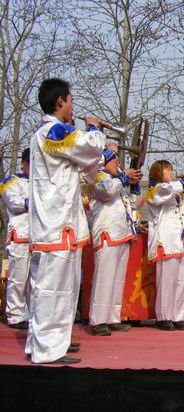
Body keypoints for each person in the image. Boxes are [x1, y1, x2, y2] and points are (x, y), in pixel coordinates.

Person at [26, 78, 105, 364]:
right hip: (55, 224)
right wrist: (94, 128)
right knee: (52, 288)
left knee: (61, 288)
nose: (73, 106)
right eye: (71, 100)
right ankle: (47, 348)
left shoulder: (54, 133)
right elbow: (89, 147)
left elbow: (87, 161)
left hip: (61, 223)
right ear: (60, 101)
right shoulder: (53, 130)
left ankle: (53, 340)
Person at [87, 148, 142, 336]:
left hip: (122, 232)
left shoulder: (118, 181)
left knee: (118, 279)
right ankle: (98, 320)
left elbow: (133, 203)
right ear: (104, 162)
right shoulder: (97, 177)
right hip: (107, 232)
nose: (117, 163)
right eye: (114, 160)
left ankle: (112, 318)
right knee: (104, 277)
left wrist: (134, 185)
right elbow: (107, 191)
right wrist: (124, 177)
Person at [146, 160, 184, 331]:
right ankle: (164, 316)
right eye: (167, 170)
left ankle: (178, 316)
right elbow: (166, 191)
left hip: (182, 241)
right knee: (167, 281)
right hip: (167, 240)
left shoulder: (175, 192)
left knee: (182, 281)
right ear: (158, 172)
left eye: (171, 170)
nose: (171, 172)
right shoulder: (155, 189)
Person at [1, 148, 31, 329]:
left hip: (39, 237)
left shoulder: (43, 183)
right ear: (24, 163)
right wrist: (32, 202)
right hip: (20, 236)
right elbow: (13, 202)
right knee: (18, 278)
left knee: (35, 280)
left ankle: (31, 314)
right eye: (31, 163)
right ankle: (15, 315)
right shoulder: (11, 181)